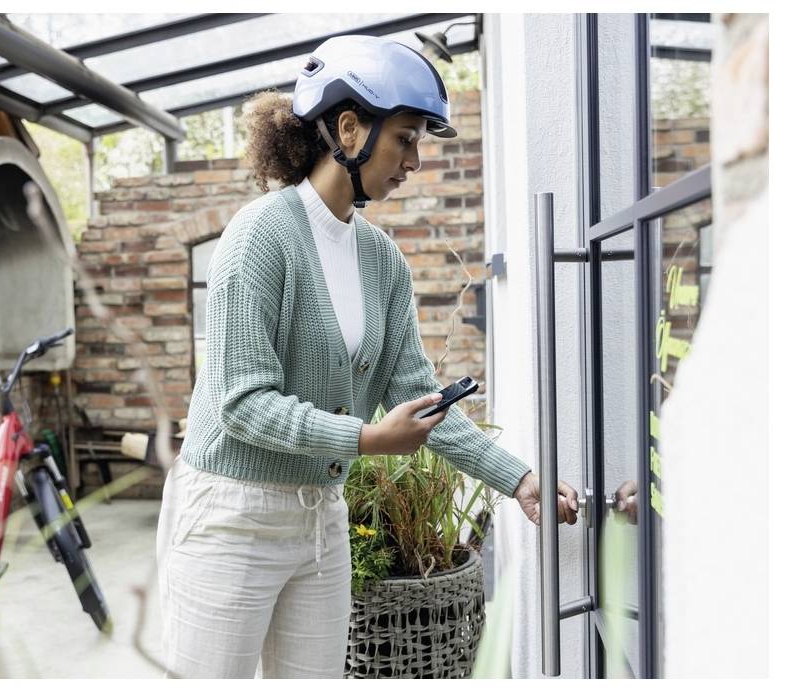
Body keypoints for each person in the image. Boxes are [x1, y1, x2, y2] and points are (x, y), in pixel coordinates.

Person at [155, 34, 580, 679]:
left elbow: (420, 392)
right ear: (349, 129)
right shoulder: (259, 236)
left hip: (320, 521)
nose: (414, 160)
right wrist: (368, 439)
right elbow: (241, 404)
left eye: (419, 143)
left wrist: (519, 480)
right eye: (405, 138)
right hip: (230, 516)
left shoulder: (382, 260)